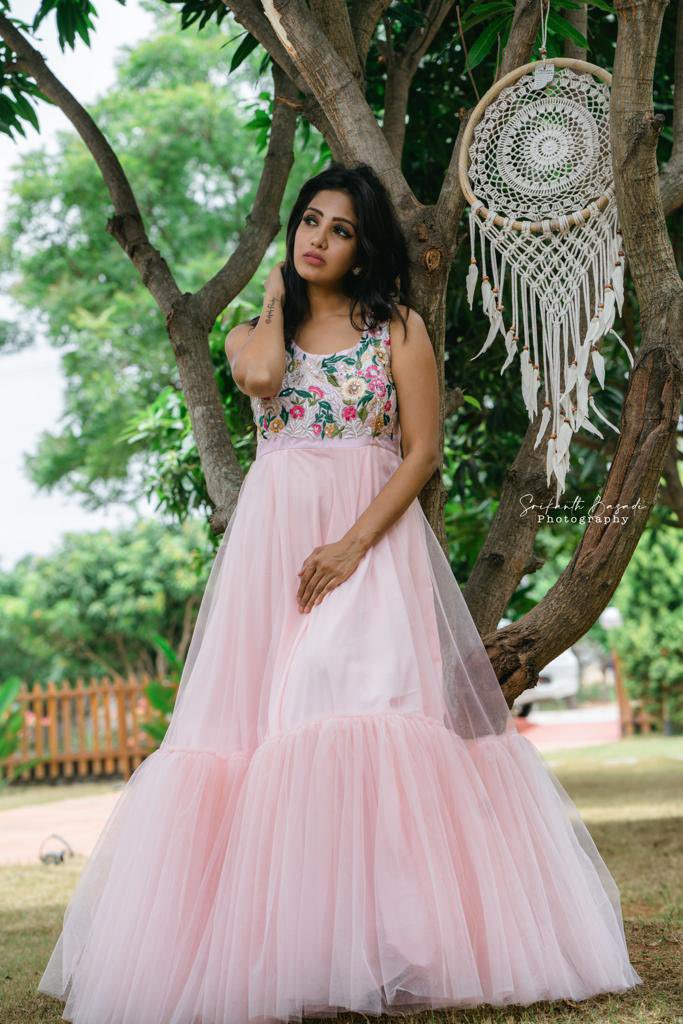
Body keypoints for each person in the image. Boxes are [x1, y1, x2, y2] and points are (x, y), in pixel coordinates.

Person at [37, 162, 642, 1023]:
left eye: (340, 229)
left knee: (352, 710)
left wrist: (354, 545)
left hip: (368, 545)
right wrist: (279, 297)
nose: (318, 239)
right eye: (309, 223)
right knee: (257, 732)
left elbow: (422, 450)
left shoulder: (396, 330)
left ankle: (399, 946)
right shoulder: (255, 331)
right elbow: (258, 381)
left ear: (364, 249)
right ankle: (298, 949)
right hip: (271, 557)